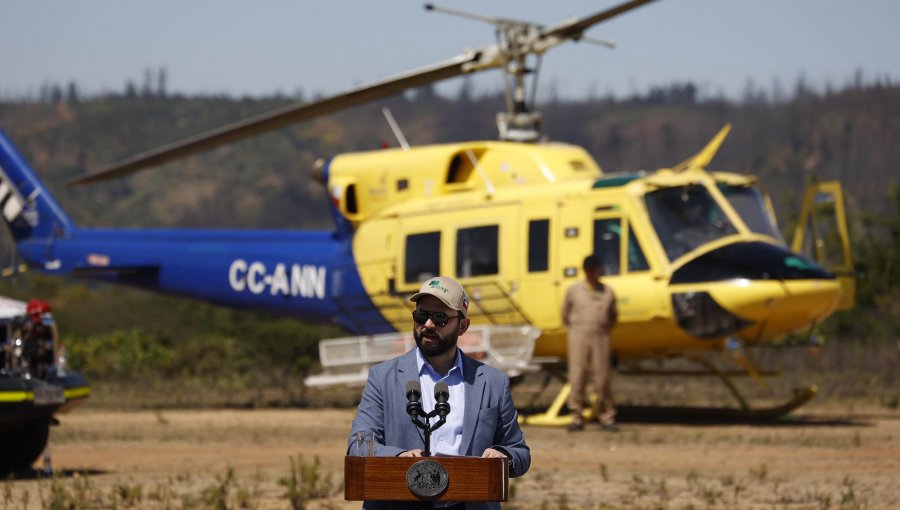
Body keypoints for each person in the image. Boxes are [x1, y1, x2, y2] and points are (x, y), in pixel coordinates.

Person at [347, 275, 530, 510]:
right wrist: (398, 457)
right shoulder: (383, 378)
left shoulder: (493, 382)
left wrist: (503, 456)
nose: (429, 325)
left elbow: (520, 452)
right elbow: (359, 444)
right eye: (421, 315)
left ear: (462, 325)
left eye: (440, 318)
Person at [561, 255, 619, 432]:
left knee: (602, 377)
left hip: (601, 336)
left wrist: (602, 328)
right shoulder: (574, 290)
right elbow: (564, 313)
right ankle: (576, 416)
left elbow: (614, 316)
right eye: (590, 270)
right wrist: (576, 328)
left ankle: (606, 416)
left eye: (596, 269)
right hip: (578, 334)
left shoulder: (607, 291)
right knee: (577, 376)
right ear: (585, 271)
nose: (593, 273)